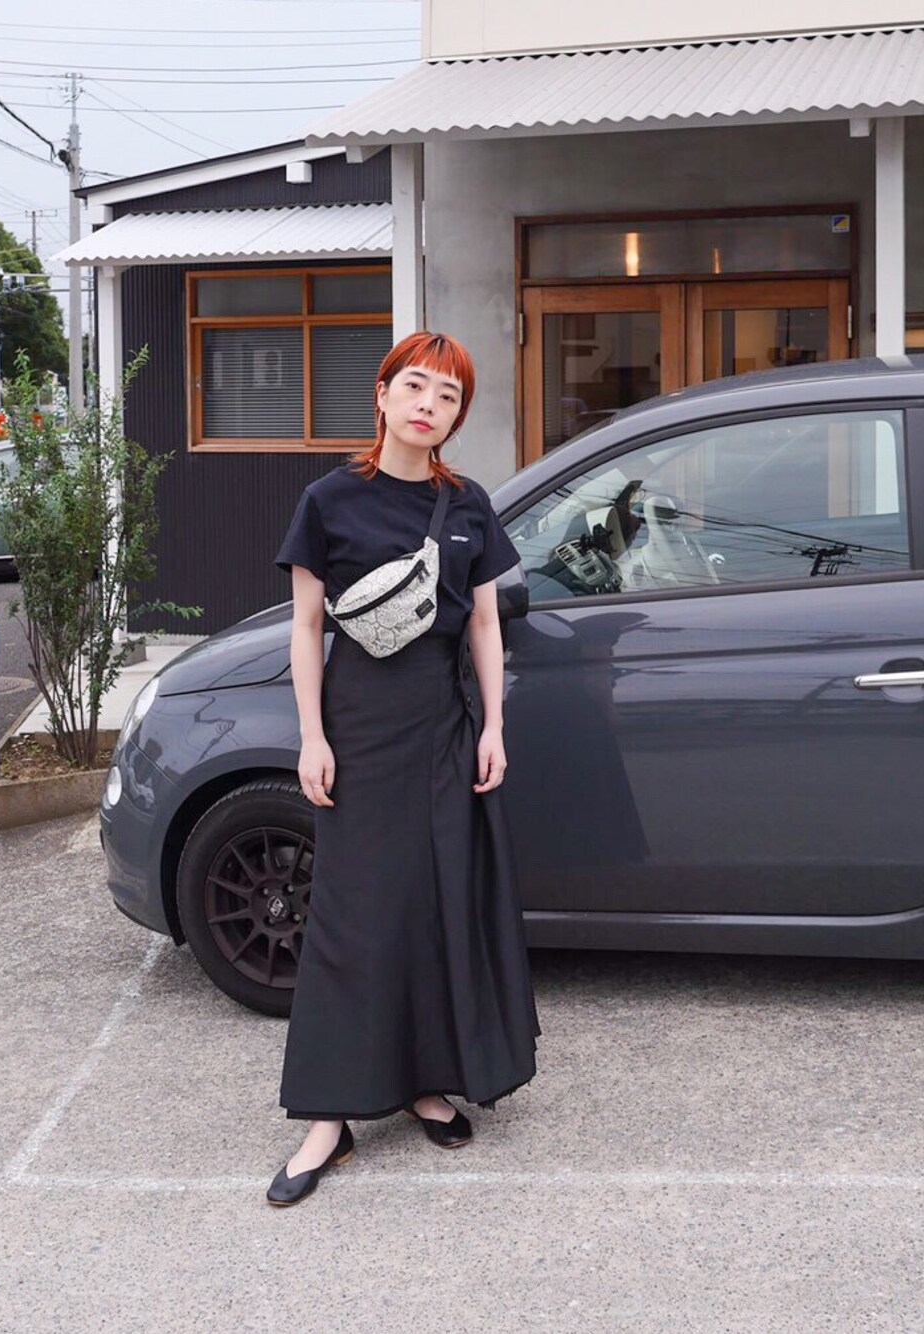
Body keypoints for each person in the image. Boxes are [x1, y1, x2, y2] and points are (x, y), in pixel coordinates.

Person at [267, 331, 540, 1207]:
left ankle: (425, 1083)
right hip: (358, 732)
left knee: (433, 904)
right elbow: (307, 628)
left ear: (458, 416)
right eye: (415, 386)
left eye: (448, 395)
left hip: (445, 731)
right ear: (382, 395)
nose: (429, 404)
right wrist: (312, 737)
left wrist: (495, 726)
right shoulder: (328, 501)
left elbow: (484, 625)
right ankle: (328, 1118)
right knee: (349, 918)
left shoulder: (468, 505)